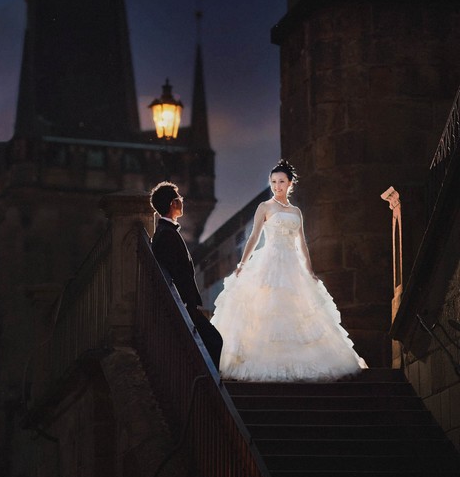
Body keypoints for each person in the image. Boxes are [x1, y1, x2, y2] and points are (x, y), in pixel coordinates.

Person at [210, 160, 368, 382]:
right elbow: (254, 237)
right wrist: (243, 264)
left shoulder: (296, 211)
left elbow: (301, 242)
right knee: (268, 309)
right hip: (269, 261)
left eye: (281, 182)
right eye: (273, 182)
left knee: (301, 313)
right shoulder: (264, 207)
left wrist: (309, 270)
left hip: (292, 265)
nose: (277, 186)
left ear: (290, 183)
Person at [150, 181, 223, 368]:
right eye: (178, 198)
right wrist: (186, 303)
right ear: (172, 204)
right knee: (213, 342)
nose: (182, 201)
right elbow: (176, 272)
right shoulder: (166, 234)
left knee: (207, 344)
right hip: (182, 304)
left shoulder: (166, 232)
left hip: (183, 303)